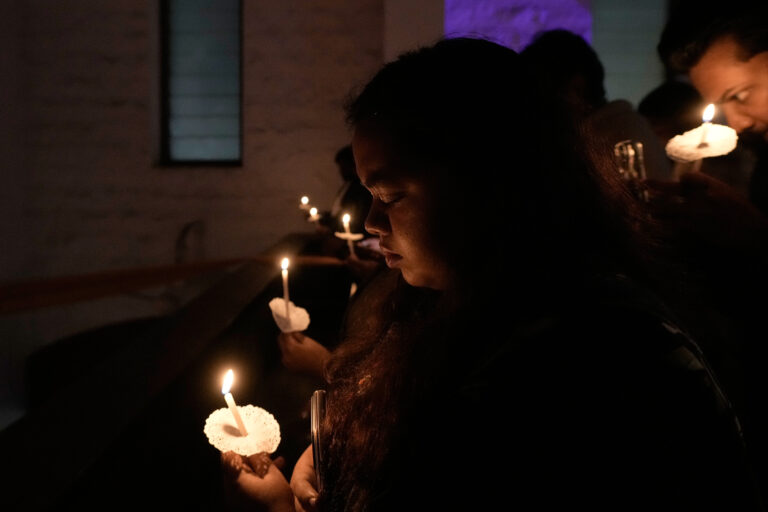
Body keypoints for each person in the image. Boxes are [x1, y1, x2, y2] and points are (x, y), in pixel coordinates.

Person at [221, 37, 763, 511]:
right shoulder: (462, 306)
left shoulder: (584, 364)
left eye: (390, 196)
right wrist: (339, 451)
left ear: (485, 188)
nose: (371, 222)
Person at [520, 29, 673, 182]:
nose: (535, 105)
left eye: (541, 89)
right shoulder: (626, 125)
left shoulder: (601, 139)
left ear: (576, 86)